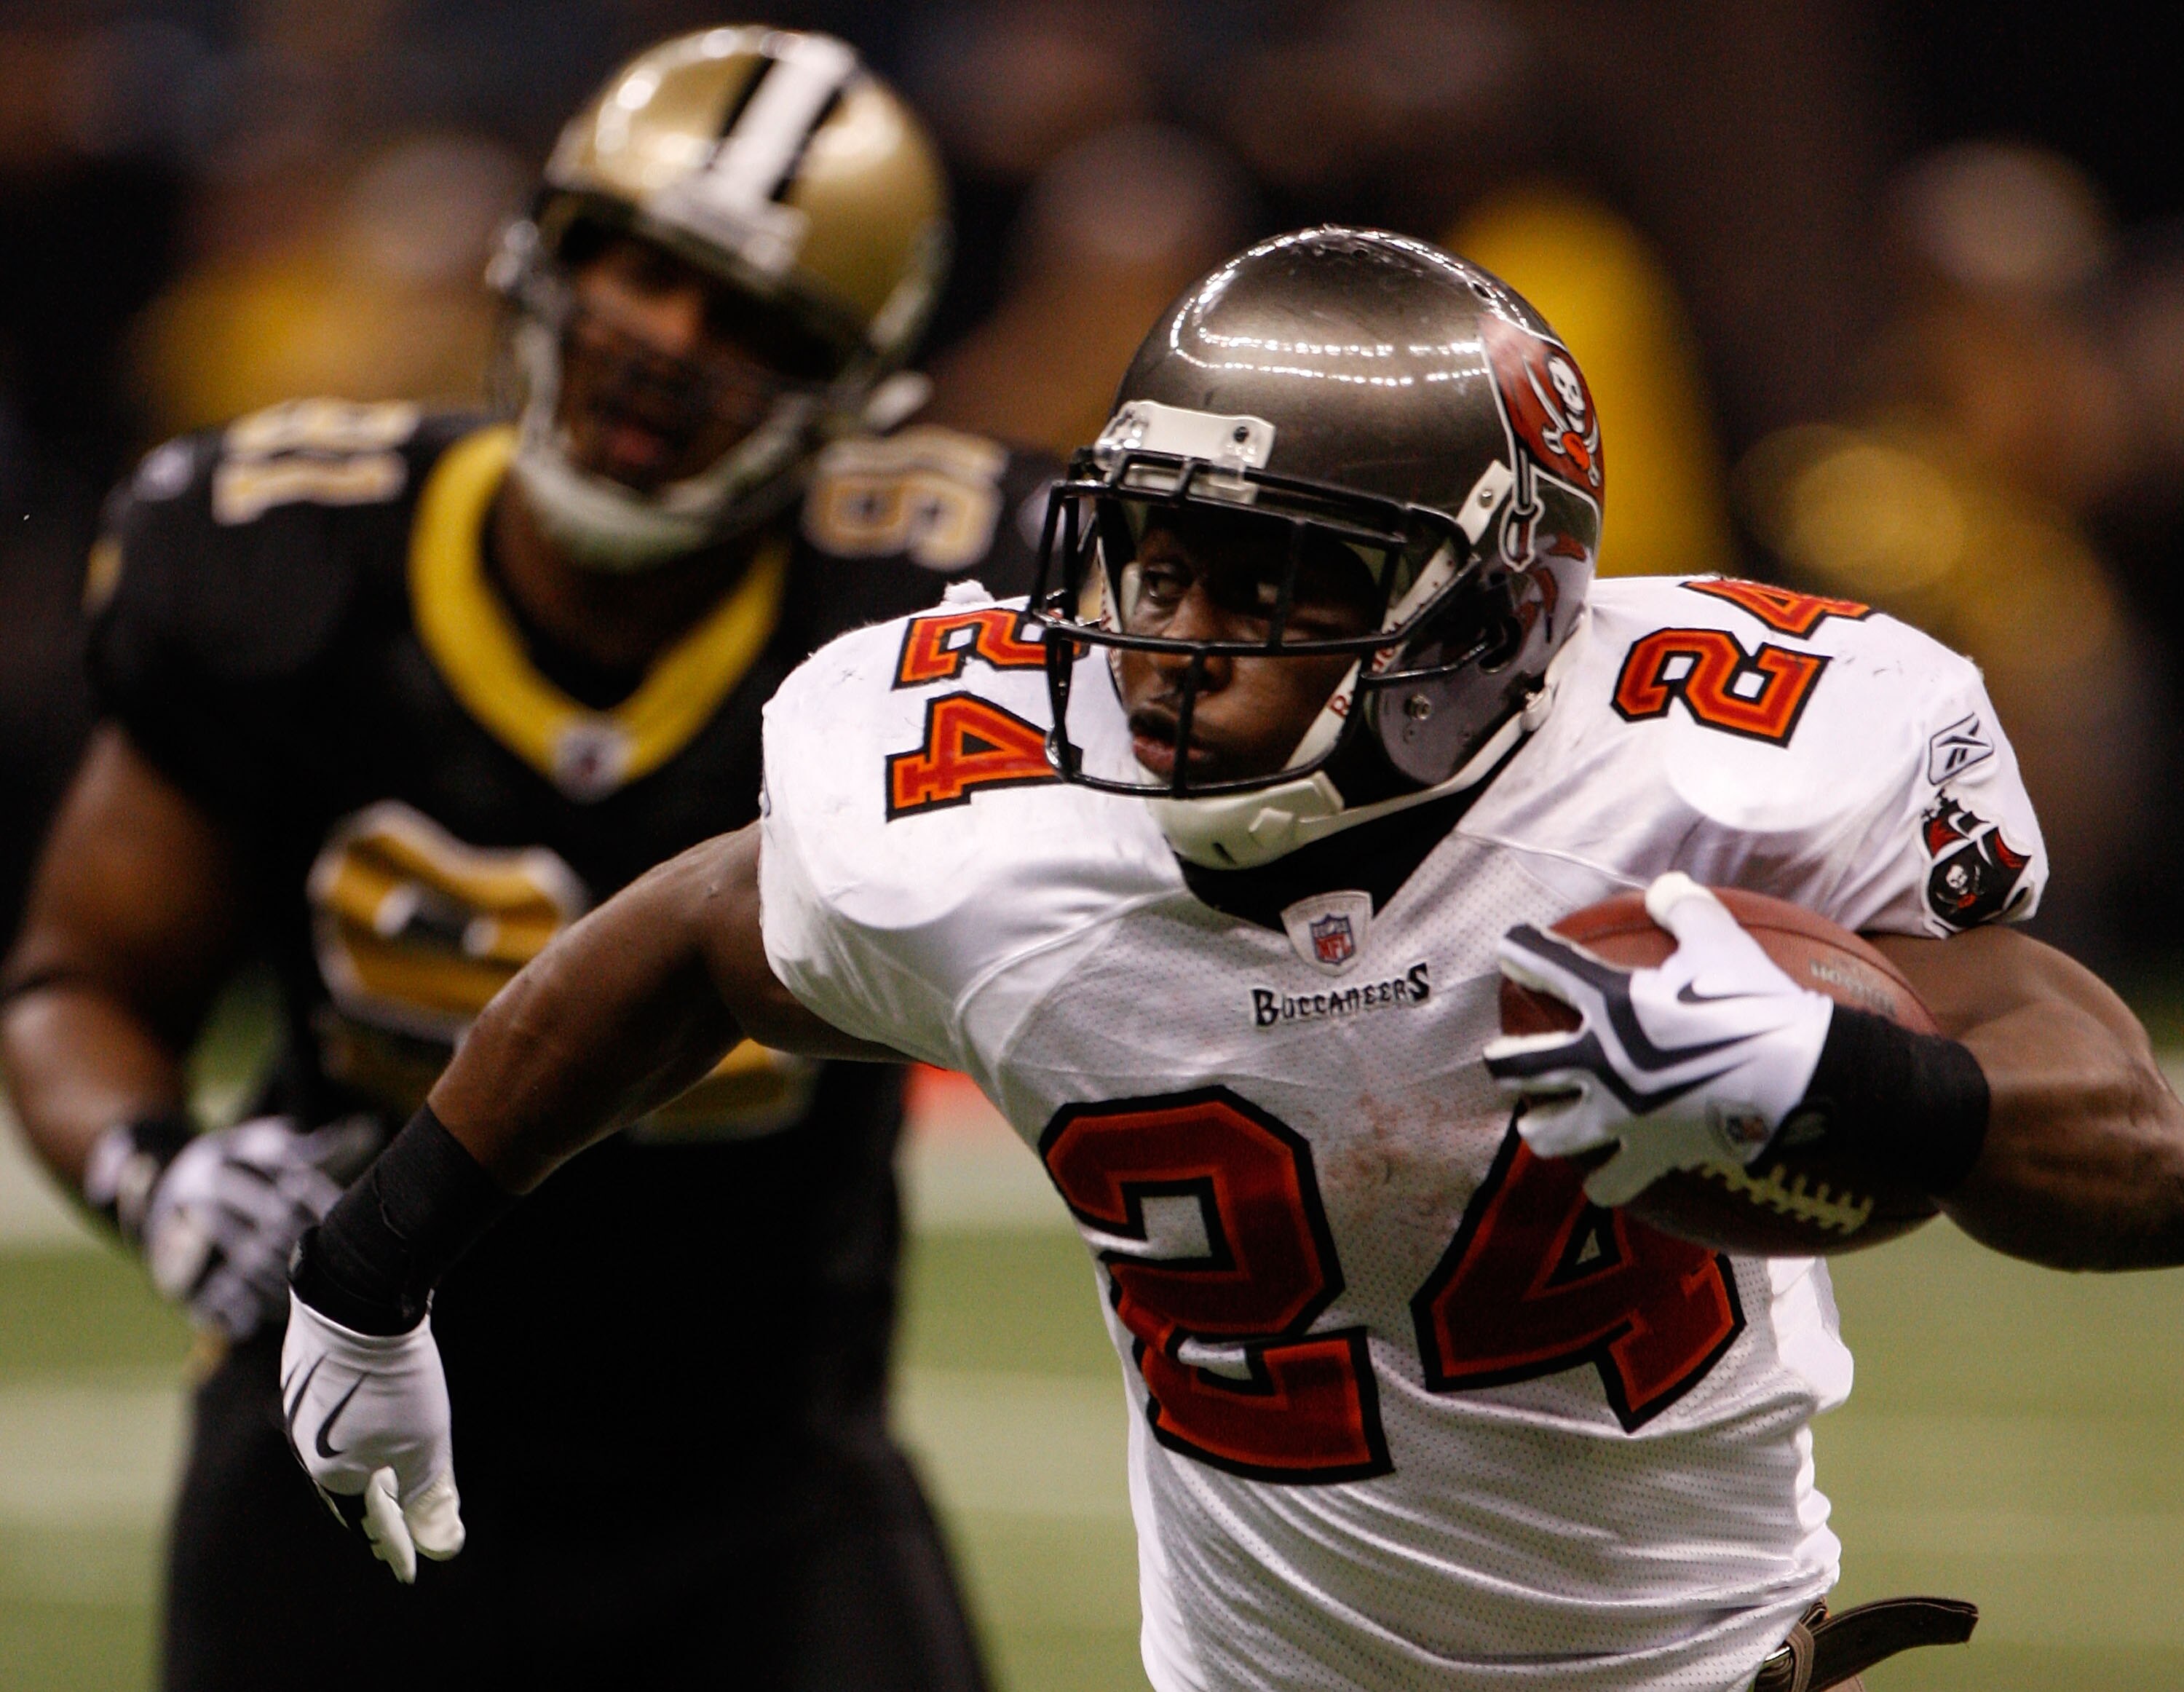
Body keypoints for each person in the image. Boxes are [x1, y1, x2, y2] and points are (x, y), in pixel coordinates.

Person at [274, 229, 2183, 1692]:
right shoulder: (984, 818)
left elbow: (2136, 1154)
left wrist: (1878, 1091)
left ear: (1495, 609)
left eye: (1273, 582)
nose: (1171, 644)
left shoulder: (1716, 775)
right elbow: (690, 941)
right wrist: (373, 1269)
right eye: (1154, 560)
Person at [0, 28, 1055, 1692]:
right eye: (629, 269)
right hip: (331, 1457)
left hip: (763, 1479)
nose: (660, 343)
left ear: (863, 390)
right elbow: (79, 981)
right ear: (535, 257)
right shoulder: (285, 565)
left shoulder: (936, 619)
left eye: (749, 319)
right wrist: (160, 1173)